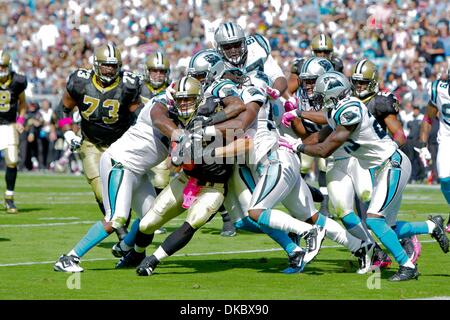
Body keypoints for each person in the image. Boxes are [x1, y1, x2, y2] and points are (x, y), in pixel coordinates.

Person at [287, 71, 449, 281]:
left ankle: (407, 266)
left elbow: (324, 149)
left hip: (392, 164)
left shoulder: (349, 111)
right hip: (383, 167)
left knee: (373, 220)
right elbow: (319, 135)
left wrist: (297, 146)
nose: (318, 97)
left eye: (321, 93)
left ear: (333, 93)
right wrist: (291, 134)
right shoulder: (339, 108)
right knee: (387, 227)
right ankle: (431, 226)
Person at [54, 90, 169, 273]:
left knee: (152, 218)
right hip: (120, 164)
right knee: (116, 217)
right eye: (184, 99)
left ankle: (128, 249)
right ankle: (69, 258)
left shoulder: (181, 112)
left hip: (138, 169)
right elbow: (164, 123)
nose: (187, 104)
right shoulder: (161, 108)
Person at [58, 43, 141, 240]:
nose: (110, 69)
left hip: (120, 145)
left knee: (123, 195)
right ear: (96, 64)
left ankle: (121, 226)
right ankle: (121, 232)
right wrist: (68, 133)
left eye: (114, 65)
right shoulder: (79, 82)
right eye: (106, 65)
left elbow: (138, 116)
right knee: (102, 193)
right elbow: (63, 110)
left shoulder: (128, 85)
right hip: (91, 144)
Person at [140, 51, 172, 235]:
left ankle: (154, 216)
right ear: (147, 71)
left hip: (160, 141)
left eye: (162, 71)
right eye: (154, 71)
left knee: (161, 179)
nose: (158, 75)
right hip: (137, 138)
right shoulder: (136, 87)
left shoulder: (172, 89)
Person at [418, 67, 450, 233]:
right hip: (446, 139)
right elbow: (428, 117)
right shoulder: (438, 89)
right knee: (444, 179)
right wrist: (423, 146)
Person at [0, 50, 27, 213]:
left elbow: (22, 103)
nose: (1, 69)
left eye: (3, 66)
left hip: (9, 125)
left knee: (12, 161)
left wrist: (21, 120)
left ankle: (9, 198)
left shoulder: (17, 81)